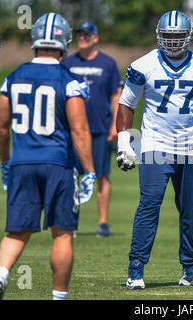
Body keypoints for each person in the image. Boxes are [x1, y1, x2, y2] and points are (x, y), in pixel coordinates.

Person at [0, 13, 95, 300]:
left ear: (34, 40)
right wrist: (90, 171)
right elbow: (80, 129)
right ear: (64, 42)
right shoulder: (69, 80)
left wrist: (7, 161)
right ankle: (58, 297)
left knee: (16, 231)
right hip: (58, 163)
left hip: (23, 163)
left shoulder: (13, 77)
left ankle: (0, 274)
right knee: (62, 233)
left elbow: (0, 126)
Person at [116, 10, 193, 290]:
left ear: (189, 36)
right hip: (155, 144)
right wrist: (124, 143)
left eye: (178, 36)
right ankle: (136, 270)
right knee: (149, 206)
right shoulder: (143, 64)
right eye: (169, 36)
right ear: (159, 36)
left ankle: (191, 270)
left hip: (191, 145)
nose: (173, 42)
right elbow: (126, 104)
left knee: (191, 210)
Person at [62, 22, 123, 237]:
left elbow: (116, 94)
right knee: (72, 176)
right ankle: (71, 221)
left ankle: (103, 223)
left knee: (101, 176)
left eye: (87, 35)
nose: (82, 38)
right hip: (72, 131)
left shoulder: (107, 63)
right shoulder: (68, 63)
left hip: (99, 129)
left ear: (95, 37)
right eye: (79, 34)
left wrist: (115, 125)